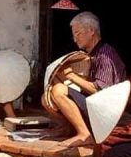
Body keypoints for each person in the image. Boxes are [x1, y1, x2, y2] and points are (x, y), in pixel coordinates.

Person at [49, 11, 126, 147]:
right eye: (74, 35)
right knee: (47, 97)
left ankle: (85, 134)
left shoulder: (104, 55)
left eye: (78, 33)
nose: (75, 39)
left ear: (91, 31)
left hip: (105, 109)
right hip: (93, 104)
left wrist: (72, 76)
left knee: (59, 90)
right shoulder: (91, 55)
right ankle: (70, 129)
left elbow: (100, 91)